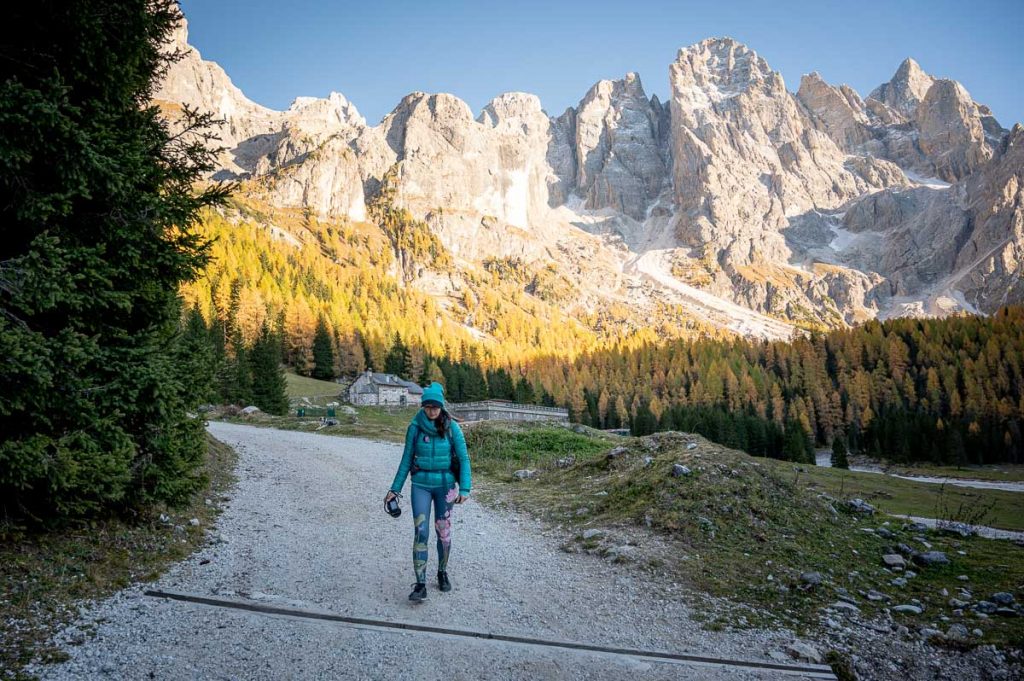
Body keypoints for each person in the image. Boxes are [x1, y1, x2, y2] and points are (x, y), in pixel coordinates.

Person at [385, 382, 471, 602]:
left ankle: (442, 572)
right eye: (428, 406)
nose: (432, 410)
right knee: (421, 532)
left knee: (443, 533)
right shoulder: (415, 427)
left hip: (445, 487)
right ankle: (420, 584)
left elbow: (463, 458)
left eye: (436, 406)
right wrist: (395, 489)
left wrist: (465, 487)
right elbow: (405, 460)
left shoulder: (453, 428)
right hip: (421, 485)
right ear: (423, 406)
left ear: (442, 407)